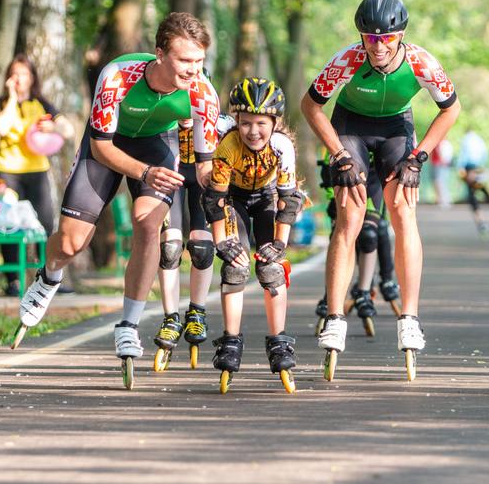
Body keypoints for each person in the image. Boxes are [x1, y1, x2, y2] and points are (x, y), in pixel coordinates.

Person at [13, 13, 220, 390]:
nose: (193, 70)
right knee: (72, 242)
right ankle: (49, 275)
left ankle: (128, 324)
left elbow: (205, 166)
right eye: (184, 60)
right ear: (159, 54)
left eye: (199, 61)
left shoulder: (203, 94)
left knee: (148, 223)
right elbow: (100, 146)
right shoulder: (117, 78)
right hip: (108, 147)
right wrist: (143, 173)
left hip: (158, 144)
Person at [300, 0, 461, 381]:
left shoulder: (422, 62)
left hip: (395, 129)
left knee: (403, 212)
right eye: (369, 39)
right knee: (349, 217)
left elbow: (451, 109)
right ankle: (335, 315)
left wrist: (419, 156)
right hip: (350, 127)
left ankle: (410, 317)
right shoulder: (347, 60)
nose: (378, 47)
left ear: (401, 36)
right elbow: (310, 106)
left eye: (386, 39)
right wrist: (337, 154)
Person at [203, 77, 304, 394]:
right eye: (245, 123)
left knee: (272, 268)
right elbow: (215, 200)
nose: (253, 131)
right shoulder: (227, 146)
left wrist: (279, 244)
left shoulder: (282, 147)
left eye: (261, 123)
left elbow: (287, 200)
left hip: (267, 198)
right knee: (235, 267)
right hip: (233, 200)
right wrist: (222, 242)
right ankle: (230, 342)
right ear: (236, 121)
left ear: (274, 122)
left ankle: (280, 343)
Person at [0, 54, 74, 296]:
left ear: (32, 78)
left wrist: (53, 127)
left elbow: (68, 130)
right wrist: (10, 97)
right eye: (15, 74)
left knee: (46, 223)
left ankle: (48, 279)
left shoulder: (42, 104)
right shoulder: (2, 102)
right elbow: (2, 127)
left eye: (24, 74)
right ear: (9, 77)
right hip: (8, 171)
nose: (19, 79)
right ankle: (12, 282)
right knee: (9, 226)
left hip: (37, 171)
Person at [314, 156, 402, 338]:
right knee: (341, 236)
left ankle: (365, 291)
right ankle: (330, 295)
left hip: (373, 179)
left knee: (371, 234)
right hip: (344, 172)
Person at [152, 117, 215, 371]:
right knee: (170, 246)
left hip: (204, 178)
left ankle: (197, 312)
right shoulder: (163, 119)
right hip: (171, 175)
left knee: (202, 247)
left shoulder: (214, 121)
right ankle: (170, 318)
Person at [431, 138, 454, 208]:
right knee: (440, 182)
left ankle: (444, 200)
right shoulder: (443, 142)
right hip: (440, 165)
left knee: (440, 182)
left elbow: (441, 153)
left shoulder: (442, 143)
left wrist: (442, 161)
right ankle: (442, 200)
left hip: (440, 165)